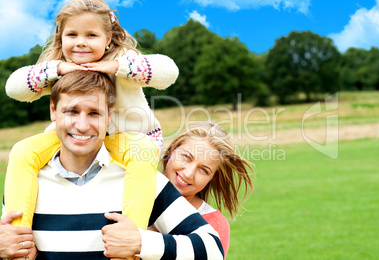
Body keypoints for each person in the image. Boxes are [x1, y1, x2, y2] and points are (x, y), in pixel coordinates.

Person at [1, 70, 223, 259]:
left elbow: (213, 248)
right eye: (71, 111)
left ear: (109, 116)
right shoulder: (28, 182)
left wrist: (142, 243)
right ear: (53, 110)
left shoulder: (143, 180)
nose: (82, 125)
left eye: (95, 113)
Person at [4, 0, 179, 231]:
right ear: (61, 37)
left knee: (143, 152)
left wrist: (118, 67)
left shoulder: (122, 61)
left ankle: (131, 233)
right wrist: (56, 69)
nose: (81, 43)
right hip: (71, 138)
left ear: (107, 39)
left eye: (91, 35)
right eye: (72, 35)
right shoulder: (58, 67)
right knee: (22, 151)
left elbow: (169, 72)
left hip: (127, 138)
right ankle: (17, 232)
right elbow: (13, 88)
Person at [159, 121, 255, 258]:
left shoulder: (214, 225)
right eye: (186, 157)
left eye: (204, 170)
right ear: (171, 150)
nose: (188, 174)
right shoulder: (128, 192)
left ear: (213, 178)